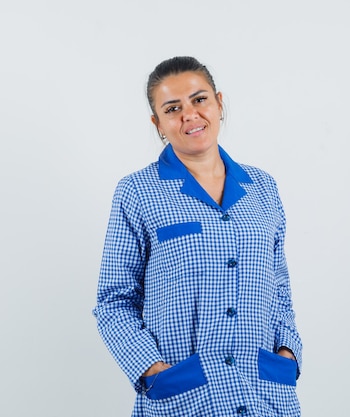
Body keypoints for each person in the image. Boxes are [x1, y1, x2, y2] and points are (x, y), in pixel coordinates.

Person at [93, 56, 303, 417]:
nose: (189, 114)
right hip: (185, 400)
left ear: (220, 103)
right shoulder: (137, 192)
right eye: (172, 108)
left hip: (266, 397)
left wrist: (288, 350)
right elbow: (114, 302)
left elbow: (278, 285)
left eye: (199, 99)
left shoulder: (263, 188)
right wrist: (152, 370)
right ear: (157, 123)